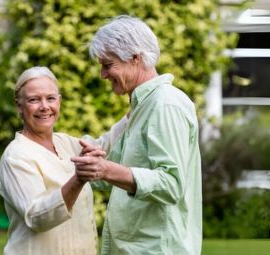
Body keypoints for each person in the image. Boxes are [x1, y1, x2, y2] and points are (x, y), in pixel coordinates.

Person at [71, 15, 203, 255]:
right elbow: (112, 174)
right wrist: (90, 166)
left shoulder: (165, 104)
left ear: (135, 58)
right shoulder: (142, 107)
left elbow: (172, 184)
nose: (102, 74)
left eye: (108, 65)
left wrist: (106, 169)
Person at [0, 66, 98, 255]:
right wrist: (78, 180)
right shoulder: (16, 156)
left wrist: (134, 113)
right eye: (34, 100)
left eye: (50, 98)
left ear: (59, 102)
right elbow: (37, 217)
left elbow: (103, 144)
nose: (44, 106)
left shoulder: (66, 142)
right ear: (19, 106)